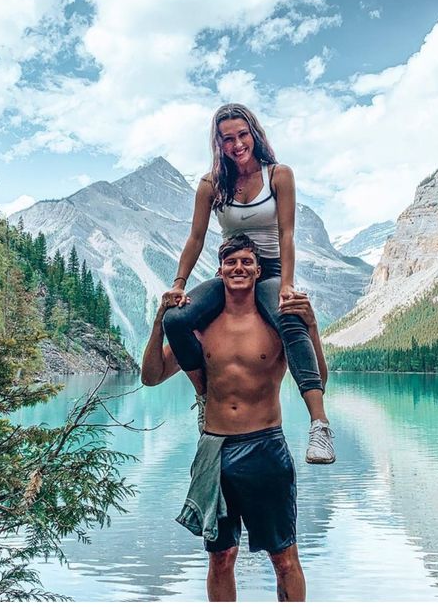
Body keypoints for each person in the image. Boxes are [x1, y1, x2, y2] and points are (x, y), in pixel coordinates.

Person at [142, 235, 325, 601]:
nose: (238, 268)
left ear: (258, 270)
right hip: (216, 451)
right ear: (220, 270)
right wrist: (160, 321)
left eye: (246, 262)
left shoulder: (277, 324)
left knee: (284, 558)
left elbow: (320, 376)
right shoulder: (201, 328)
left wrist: (313, 326)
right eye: (231, 263)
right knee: (221, 558)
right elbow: (151, 375)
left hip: (266, 448)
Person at [161, 103, 334, 464]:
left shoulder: (279, 175)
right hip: (230, 269)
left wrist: (286, 284)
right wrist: (179, 283)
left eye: (242, 135)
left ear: (254, 134)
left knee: (290, 317)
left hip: (268, 270)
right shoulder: (210, 184)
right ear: (218, 144)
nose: (237, 143)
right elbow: (195, 238)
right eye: (228, 138)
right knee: (175, 320)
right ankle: (205, 398)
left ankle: (319, 424)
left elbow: (287, 234)